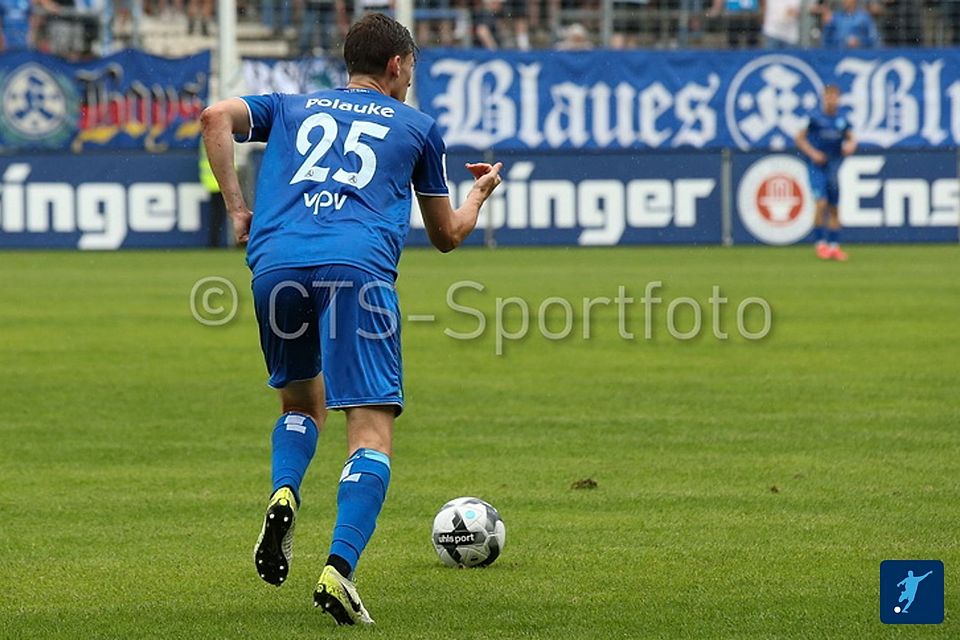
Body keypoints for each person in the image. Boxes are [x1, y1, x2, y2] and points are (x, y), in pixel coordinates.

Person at [199, 12, 502, 626]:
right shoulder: (417, 127)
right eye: (411, 68)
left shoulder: (291, 106)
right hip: (356, 274)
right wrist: (479, 195)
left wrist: (238, 209)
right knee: (369, 428)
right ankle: (338, 569)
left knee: (298, 407)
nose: (411, 80)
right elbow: (445, 237)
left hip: (276, 266)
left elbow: (213, 119)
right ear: (396, 65)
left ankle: (285, 491)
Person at [794, 84, 856, 261]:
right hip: (816, 166)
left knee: (834, 207)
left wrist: (851, 145)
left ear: (839, 98)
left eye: (834, 96)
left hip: (833, 165)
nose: (831, 100)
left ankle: (834, 247)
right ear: (823, 98)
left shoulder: (842, 120)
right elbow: (799, 138)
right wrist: (813, 153)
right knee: (821, 203)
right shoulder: (814, 118)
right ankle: (820, 244)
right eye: (828, 96)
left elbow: (852, 137)